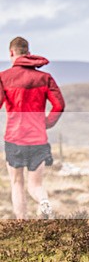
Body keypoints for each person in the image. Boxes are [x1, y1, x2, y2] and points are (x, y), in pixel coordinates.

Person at [0, 37, 65, 219]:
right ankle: (43, 201)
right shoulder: (45, 78)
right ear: (28, 52)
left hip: (14, 138)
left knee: (17, 183)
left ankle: (22, 224)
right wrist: (46, 123)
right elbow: (59, 105)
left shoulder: (3, 78)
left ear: (12, 53)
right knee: (36, 185)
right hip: (38, 138)